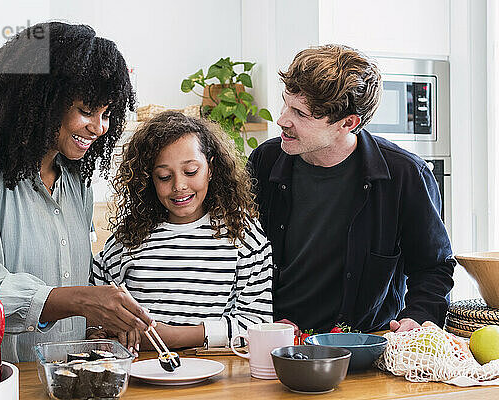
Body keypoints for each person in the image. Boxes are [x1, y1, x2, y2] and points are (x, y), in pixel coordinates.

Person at [0, 22, 153, 363]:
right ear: (43, 101)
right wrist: (80, 300)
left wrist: (92, 326)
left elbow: (69, 277)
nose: (99, 127)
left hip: (60, 378)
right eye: (86, 111)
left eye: (107, 114)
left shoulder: (76, 180)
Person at [248, 44, 455, 334]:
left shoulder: (405, 174)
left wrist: (417, 317)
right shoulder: (264, 160)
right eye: (285, 103)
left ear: (348, 123)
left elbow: (433, 267)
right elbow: (241, 258)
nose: (282, 119)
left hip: (366, 345)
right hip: (278, 342)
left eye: (300, 113)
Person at [91, 111, 273, 349]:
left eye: (190, 171)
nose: (179, 186)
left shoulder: (244, 236)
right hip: (141, 378)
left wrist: (170, 337)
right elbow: (94, 310)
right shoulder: (129, 239)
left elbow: (257, 325)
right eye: (164, 176)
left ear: (211, 168)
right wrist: (100, 331)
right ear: (149, 179)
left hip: (219, 380)